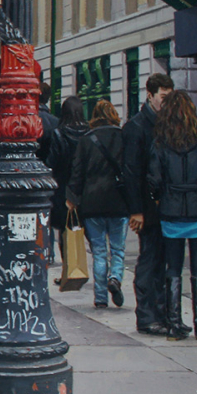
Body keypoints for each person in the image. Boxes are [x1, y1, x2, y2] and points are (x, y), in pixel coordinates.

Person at [146, 89, 197, 340]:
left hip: (172, 210)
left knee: (173, 269)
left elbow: (153, 180)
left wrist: (160, 196)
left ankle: (175, 325)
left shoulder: (160, 143)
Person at [123, 72, 175, 335]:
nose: (165, 103)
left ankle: (163, 314)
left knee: (164, 262)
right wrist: (136, 210)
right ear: (150, 95)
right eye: (162, 97)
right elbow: (131, 172)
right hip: (148, 207)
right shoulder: (136, 127)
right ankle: (147, 316)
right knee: (150, 261)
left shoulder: (166, 125)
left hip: (167, 207)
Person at [66, 100, 129, 309]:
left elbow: (77, 171)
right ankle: (116, 277)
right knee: (118, 249)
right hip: (119, 201)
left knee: (99, 251)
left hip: (92, 202)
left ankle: (101, 297)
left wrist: (72, 197)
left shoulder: (87, 140)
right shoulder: (123, 137)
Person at [47, 96, 89, 271]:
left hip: (63, 187)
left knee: (65, 231)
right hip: (85, 187)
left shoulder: (59, 134)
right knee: (85, 228)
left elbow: (52, 162)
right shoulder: (89, 133)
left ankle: (69, 268)